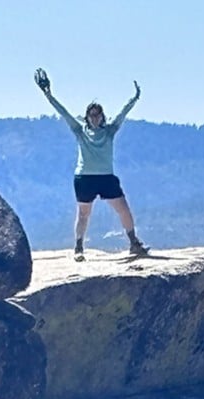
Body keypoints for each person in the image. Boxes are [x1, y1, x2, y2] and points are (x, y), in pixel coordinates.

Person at [35, 68, 148, 261]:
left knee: (123, 209)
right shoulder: (79, 131)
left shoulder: (110, 131)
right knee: (83, 214)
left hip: (105, 177)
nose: (95, 118)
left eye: (98, 115)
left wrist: (135, 98)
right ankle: (78, 248)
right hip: (85, 178)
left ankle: (133, 243)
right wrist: (48, 95)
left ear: (102, 116)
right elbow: (63, 112)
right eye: (92, 115)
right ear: (87, 116)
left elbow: (123, 113)